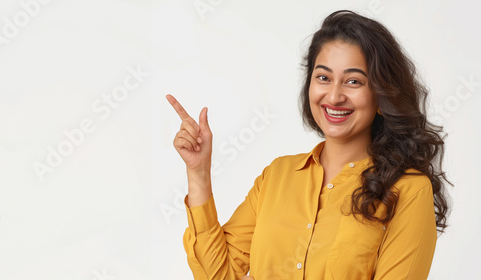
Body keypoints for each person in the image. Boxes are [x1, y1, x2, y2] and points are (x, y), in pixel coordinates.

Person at [167, 10, 451, 280]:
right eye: (324, 78)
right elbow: (217, 274)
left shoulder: (409, 190)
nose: (335, 96)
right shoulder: (277, 176)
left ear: (380, 95)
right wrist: (199, 173)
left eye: (353, 81)